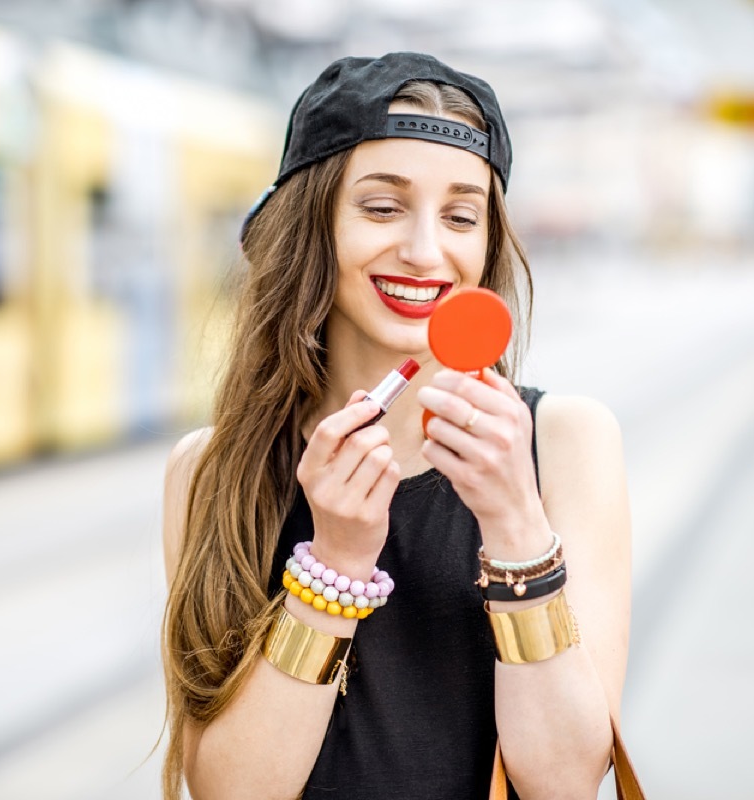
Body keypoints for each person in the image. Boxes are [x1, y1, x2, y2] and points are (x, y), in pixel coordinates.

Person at [161, 52, 631, 799]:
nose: (423, 250)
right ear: (312, 224)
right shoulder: (211, 469)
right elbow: (229, 790)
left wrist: (513, 523)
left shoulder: (565, 441)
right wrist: (335, 567)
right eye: (382, 207)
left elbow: (568, 780)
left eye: (461, 216)